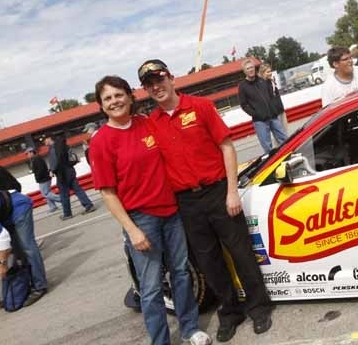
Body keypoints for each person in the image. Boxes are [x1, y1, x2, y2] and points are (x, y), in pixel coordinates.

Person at [138, 59, 273, 343]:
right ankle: (231, 311)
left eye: (159, 79)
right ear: (146, 90)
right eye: (149, 84)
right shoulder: (151, 124)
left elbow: (227, 147)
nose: (156, 87)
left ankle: (258, 307)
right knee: (209, 262)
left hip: (217, 191)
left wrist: (232, 191)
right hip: (186, 202)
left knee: (241, 252)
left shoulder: (200, 106)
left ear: (171, 78)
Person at [89, 75, 211, 345]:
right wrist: (132, 230)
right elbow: (108, 194)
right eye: (107, 98)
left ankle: (190, 329)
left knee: (181, 273)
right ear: (101, 105)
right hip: (141, 219)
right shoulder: (101, 141)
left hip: (171, 212)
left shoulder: (146, 123)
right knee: (151, 286)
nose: (114, 101)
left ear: (129, 96)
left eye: (118, 95)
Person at [0, 190, 48, 306]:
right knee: (11, 252)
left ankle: (40, 286)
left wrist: (2, 263)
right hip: (4, 214)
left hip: (19, 207)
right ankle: (17, 290)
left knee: (27, 247)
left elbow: (2, 237)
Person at [238, 59, 287, 153]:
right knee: (268, 147)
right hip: (260, 121)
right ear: (244, 71)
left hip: (273, 117)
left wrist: (274, 109)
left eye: (252, 67)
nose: (251, 70)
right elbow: (244, 105)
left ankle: (289, 156)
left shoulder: (262, 80)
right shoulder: (242, 86)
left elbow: (271, 95)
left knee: (284, 139)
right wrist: (256, 114)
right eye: (248, 68)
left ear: (254, 68)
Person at [46, 134, 95, 220]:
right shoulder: (64, 145)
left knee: (64, 194)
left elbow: (54, 163)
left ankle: (67, 213)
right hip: (70, 170)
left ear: (50, 139)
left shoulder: (53, 149)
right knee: (78, 190)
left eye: (45, 140)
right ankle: (88, 205)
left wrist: (51, 170)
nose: (44, 142)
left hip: (62, 174)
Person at [25, 147, 61, 213]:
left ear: (31, 152)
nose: (27, 155)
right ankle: (53, 207)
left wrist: (38, 177)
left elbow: (40, 169)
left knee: (46, 194)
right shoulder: (35, 158)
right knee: (46, 192)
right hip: (43, 178)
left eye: (27, 153)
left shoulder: (36, 159)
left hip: (44, 179)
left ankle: (62, 199)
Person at [257, 63, 288, 138]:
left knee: (285, 132)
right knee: (280, 135)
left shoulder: (271, 81)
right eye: (267, 72)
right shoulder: (261, 84)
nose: (270, 73)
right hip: (274, 113)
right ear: (262, 73)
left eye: (270, 71)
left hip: (280, 109)